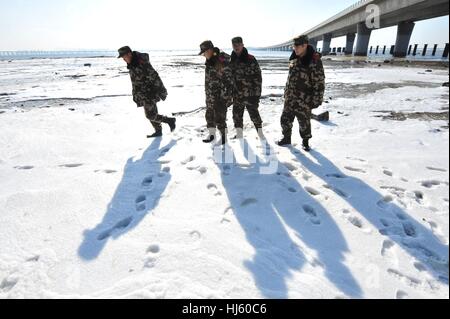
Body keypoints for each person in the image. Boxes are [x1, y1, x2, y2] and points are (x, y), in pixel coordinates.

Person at [277, 35, 325, 151]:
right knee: (285, 118)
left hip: (304, 99)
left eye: (297, 46)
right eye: (294, 46)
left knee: (304, 121)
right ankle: (286, 138)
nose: (295, 49)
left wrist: (316, 100)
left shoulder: (314, 61)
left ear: (305, 45)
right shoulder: (294, 58)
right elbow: (290, 78)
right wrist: (286, 92)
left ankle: (305, 141)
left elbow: (319, 83)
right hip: (290, 97)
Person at [118, 46, 176, 138]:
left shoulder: (141, 63)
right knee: (153, 113)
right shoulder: (133, 64)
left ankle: (169, 120)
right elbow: (135, 82)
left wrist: (162, 90)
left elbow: (154, 76)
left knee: (150, 115)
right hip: (143, 93)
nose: (124, 59)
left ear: (129, 54)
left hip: (150, 92)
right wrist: (135, 95)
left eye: (124, 57)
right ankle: (158, 131)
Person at [199, 40, 233, 145]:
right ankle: (212, 134)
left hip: (220, 96)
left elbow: (229, 80)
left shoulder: (221, 60)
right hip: (210, 95)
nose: (204, 55)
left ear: (209, 50)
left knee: (220, 117)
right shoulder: (210, 61)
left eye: (204, 53)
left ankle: (224, 137)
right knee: (209, 115)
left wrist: (225, 96)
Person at [229, 37, 264, 140]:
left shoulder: (251, 59)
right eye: (234, 45)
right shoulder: (231, 60)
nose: (236, 47)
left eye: (238, 44)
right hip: (237, 94)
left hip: (250, 94)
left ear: (242, 45)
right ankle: (239, 134)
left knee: (254, 115)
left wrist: (257, 95)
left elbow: (258, 79)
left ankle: (260, 133)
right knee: (236, 115)